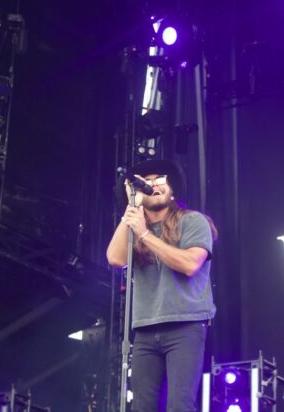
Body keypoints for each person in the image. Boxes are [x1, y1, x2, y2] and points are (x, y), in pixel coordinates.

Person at [106, 159, 217, 412]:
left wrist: (145, 234)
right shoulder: (133, 225)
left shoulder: (193, 221)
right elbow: (114, 258)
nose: (154, 184)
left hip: (186, 325)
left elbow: (190, 264)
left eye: (160, 179)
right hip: (145, 328)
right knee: (141, 406)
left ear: (172, 189)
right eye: (148, 181)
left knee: (179, 404)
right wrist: (130, 211)